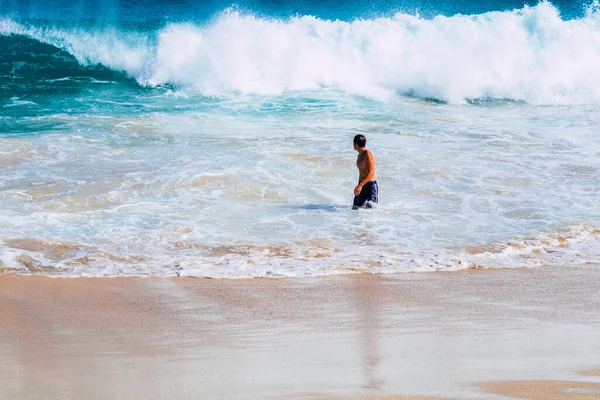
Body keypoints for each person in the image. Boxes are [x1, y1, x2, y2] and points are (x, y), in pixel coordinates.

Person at [352, 134, 378, 210]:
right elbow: (362, 172)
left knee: (371, 211)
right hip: (362, 185)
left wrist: (360, 185)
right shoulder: (359, 155)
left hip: (371, 186)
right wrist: (360, 185)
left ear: (356, 144)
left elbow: (371, 172)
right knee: (355, 209)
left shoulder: (368, 154)